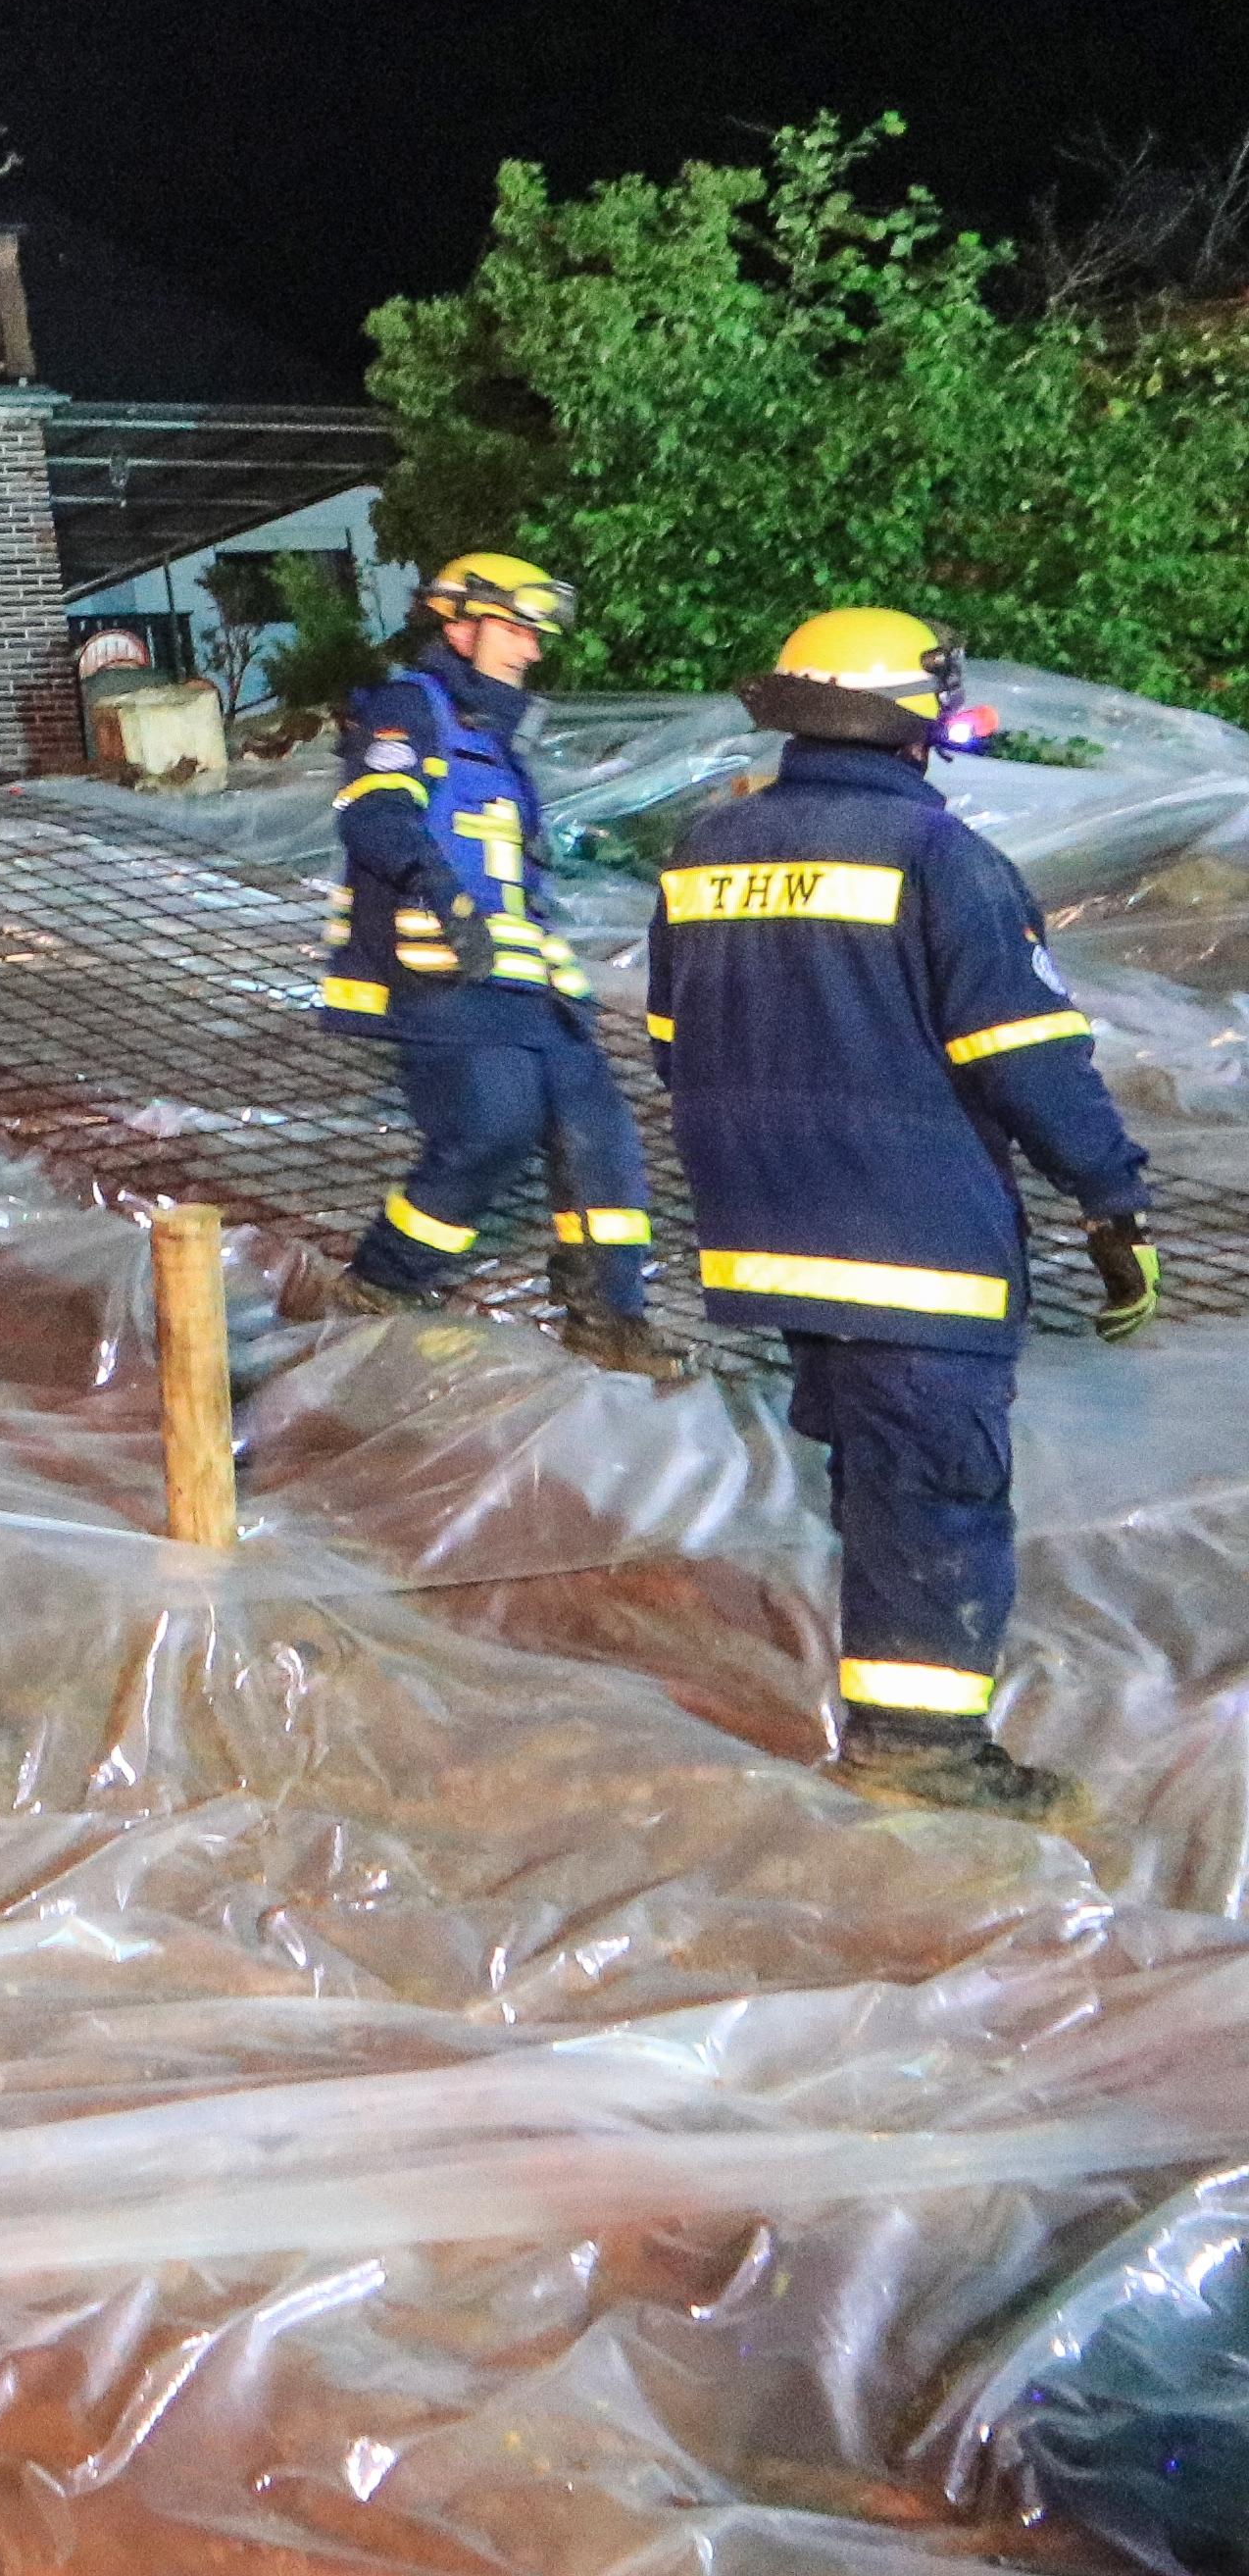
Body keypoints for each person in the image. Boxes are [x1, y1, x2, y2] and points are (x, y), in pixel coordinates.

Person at [648, 608, 1159, 1827]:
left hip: (770, 1237)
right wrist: (1113, 1198)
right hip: (915, 1245)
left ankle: (897, 1721)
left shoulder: (705, 850)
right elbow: (1029, 1060)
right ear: (917, 717)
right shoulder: (941, 860)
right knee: (934, 1490)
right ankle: (921, 1751)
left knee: (881, 1483)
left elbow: (675, 1042)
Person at [313, 553, 683, 1378]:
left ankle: (611, 1320)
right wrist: (443, 897)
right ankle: (380, 1282)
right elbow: (376, 820)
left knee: (603, 1145)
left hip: (527, 985)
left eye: (535, 635)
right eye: (516, 630)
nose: (531, 651)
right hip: (442, 979)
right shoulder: (413, 708)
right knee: (490, 1132)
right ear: (460, 625)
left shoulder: (495, 739)